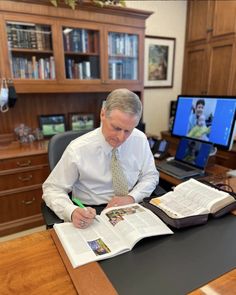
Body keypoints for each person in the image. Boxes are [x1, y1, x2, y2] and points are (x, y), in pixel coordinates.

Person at [42, 88, 159, 229]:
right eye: (116, 128)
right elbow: (52, 189)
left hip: (130, 206)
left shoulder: (139, 139)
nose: (121, 138)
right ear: (102, 114)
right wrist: (71, 211)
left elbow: (150, 176)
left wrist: (132, 197)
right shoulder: (78, 149)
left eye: (128, 130)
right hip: (92, 213)